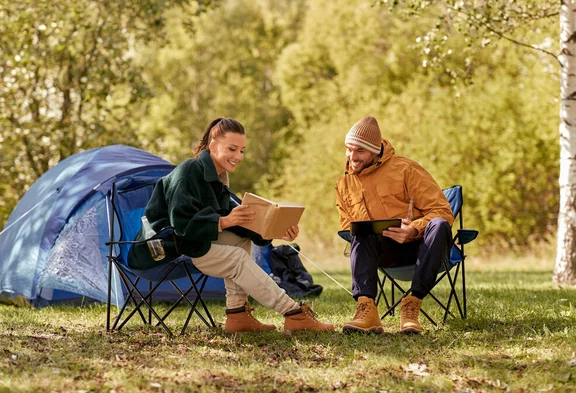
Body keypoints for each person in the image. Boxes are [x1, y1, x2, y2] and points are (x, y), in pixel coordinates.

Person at [130, 117, 334, 333]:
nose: (238, 156)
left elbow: (240, 223)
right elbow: (181, 225)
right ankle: (293, 313)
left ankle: (237, 315)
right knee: (236, 259)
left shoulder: (219, 180)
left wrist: (276, 231)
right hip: (162, 251)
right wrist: (225, 221)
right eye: (232, 149)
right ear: (213, 146)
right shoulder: (190, 170)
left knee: (240, 239)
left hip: (191, 244)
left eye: (242, 151)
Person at [335, 116, 453, 334]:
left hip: (421, 250)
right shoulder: (344, 183)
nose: (352, 157)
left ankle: (411, 306)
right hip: (383, 254)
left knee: (439, 224)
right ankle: (366, 309)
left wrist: (413, 229)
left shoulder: (406, 169)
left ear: (375, 149)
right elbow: (346, 226)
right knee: (359, 231)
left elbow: (443, 212)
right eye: (349, 149)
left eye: (359, 151)